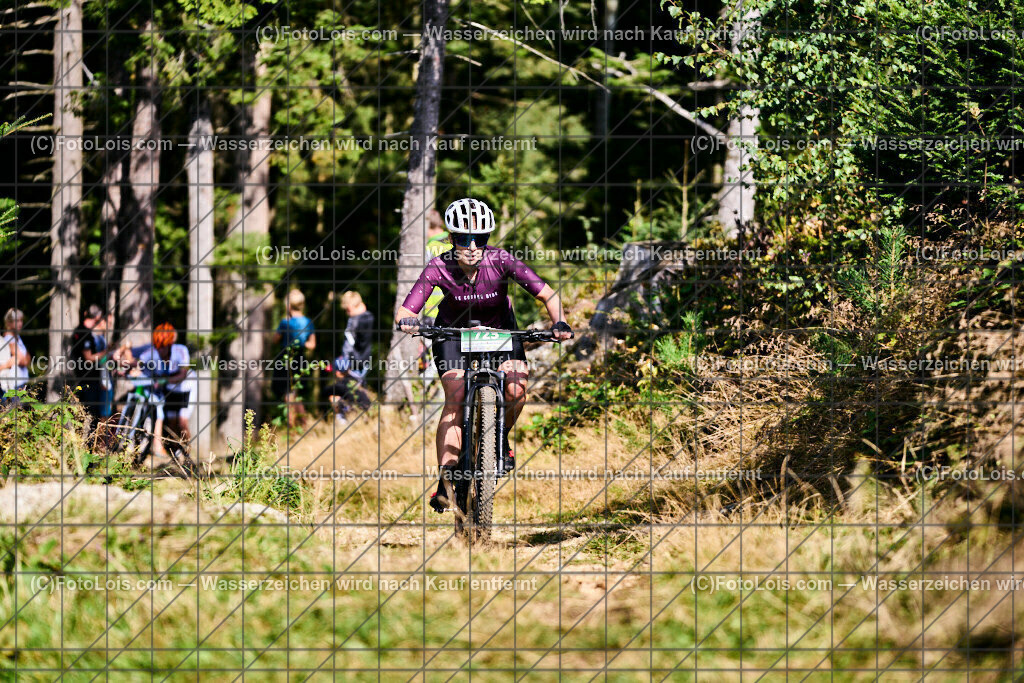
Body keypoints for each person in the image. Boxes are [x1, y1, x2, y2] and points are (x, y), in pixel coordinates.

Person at [395, 197, 573, 513]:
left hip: (502, 331)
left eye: (481, 238)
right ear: (451, 239)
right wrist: (408, 321)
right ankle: (447, 481)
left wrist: (558, 321)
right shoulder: (439, 267)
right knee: (456, 393)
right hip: (452, 334)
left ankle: (498, 439)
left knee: (517, 388)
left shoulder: (501, 260)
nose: (473, 246)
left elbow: (548, 294)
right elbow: (405, 311)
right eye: (464, 238)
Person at [124, 323, 189, 460]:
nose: (160, 351)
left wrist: (165, 381)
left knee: (182, 422)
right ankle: (162, 447)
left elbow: (183, 374)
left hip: (184, 386)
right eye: (158, 347)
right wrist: (128, 370)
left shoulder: (181, 351)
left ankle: (186, 452)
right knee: (169, 419)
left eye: (163, 347)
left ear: (170, 344)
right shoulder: (151, 353)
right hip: (163, 387)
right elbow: (137, 365)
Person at [326, 291, 374, 426]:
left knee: (344, 394)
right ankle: (352, 419)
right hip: (352, 363)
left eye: (348, 309)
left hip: (355, 365)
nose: (347, 312)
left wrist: (345, 366)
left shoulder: (362, 320)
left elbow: (358, 347)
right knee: (349, 393)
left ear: (354, 306)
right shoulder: (359, 318)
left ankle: (347, 420)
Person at [272, 289, 316, 428]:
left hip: (286, 357)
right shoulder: (308, 322)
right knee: (294, 393)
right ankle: (303, 424)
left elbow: (275, 340)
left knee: (287, 394)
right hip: (300, 357)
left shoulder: (285, 323)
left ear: (289, 305)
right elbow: (312, 345)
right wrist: (302, 342)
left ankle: (292, 427)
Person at [68, 304, 107, 420]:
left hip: (88, 379)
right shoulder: (84, 333)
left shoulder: (81, 331)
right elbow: (89, 358)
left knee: (89, 414)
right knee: (89, 415)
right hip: (87, 380)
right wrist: (106, 352)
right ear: (97, 318)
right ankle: (88, 438)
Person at [0, 308, 31, 402]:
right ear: (9, 323)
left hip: (22, 382)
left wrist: (23, 359)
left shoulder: (18, 338)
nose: (20, 323)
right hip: (13, 384)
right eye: (17, 321)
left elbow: (28, 359)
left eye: (21, 320)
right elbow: (24, 360)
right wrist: (23, 359)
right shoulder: (8, 339)